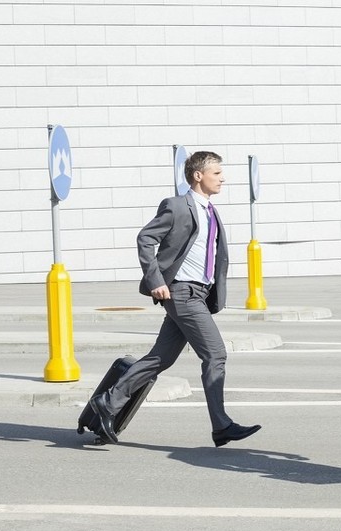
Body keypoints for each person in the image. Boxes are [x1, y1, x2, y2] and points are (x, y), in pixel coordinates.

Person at [88, 151, 261, 448]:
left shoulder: (210, 210)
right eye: (217, 173)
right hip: (181, 291)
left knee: (160, 358)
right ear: (198, 175)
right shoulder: (177, 206)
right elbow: (146, 239)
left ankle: (108, 402)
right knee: (215, 354)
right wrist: (156, 281)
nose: (222, 178)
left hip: (199, 294)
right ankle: (221, 426)